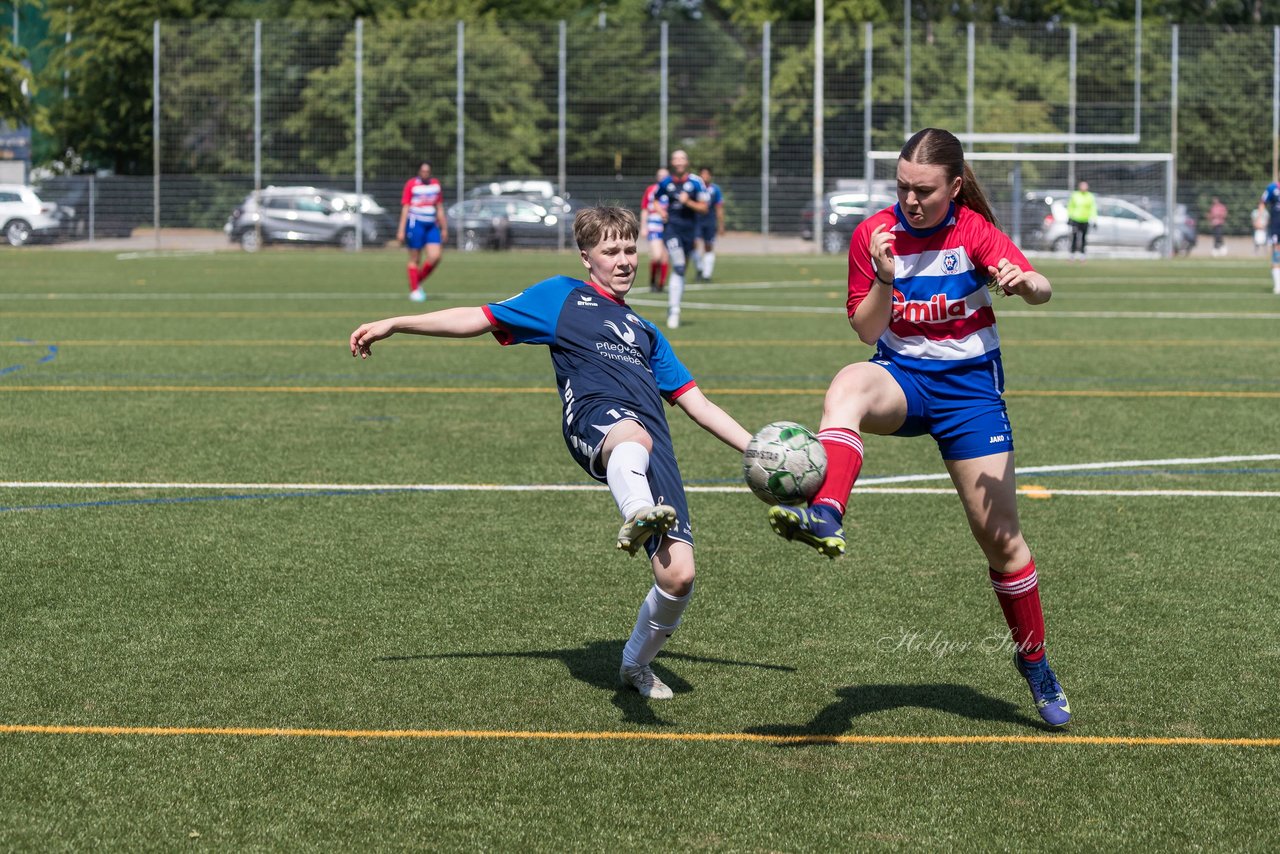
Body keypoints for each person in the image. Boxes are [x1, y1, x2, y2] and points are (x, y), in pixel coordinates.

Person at [349, 206, 752, 700]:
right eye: (611, 251)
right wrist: (398, 322)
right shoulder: (560, 296)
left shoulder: (648, 333)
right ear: (587, 257)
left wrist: (759, 452)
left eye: (630, 250)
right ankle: (637, 512)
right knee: (632, 436)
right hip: (595, 419)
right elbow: (476, 318)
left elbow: (699, 405)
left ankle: (635, 663)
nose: (624, 261)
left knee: (679, 577)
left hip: (653, 446)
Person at [765, 128, 1072, 728]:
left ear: (954, 187)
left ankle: (1035, 664)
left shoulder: (973, 230)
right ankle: (827, 511)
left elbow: (1042, 289)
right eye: (902, 187)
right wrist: (883, 275)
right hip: (903, 378)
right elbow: (863, 329)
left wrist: (1025, 282)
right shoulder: (874, 234)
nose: (910, 200)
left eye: (924, 190)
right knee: (848, 384)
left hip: (970, 393)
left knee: (1002, 542)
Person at [655, 150, 710, 329]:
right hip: (672, 229)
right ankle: (674, 311)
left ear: (687, 162)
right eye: (675, 158)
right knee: (678, 265)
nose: (678, 161)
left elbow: (704, 208)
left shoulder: (696, 182)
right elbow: (655, 199)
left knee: (680, 271)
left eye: (682, 158)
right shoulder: (666, 182)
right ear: (672, 162)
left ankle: (674, 305)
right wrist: (661, 211)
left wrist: (688, 203)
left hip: (689, 231)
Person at [397, 161, 449, 302]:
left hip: (432, 225)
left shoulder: (435, 185)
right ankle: (415, 290)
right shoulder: (412, 185)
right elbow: (406, 208)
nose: (425, 173)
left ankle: (416, 282)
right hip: (416, 224)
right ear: (419, 172)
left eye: (428, 171)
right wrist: (401, 230)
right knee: (415, 258)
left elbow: (439, 207)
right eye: (423, 171)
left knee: (436, 256)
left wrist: (444, 228)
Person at [640, 168, 670, 292]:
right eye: (660, 175)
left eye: (665, 176)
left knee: (665, 257)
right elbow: (645, 209)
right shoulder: (651, 190)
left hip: (669, 227)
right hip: (654, 226)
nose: (662, 178)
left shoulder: (672, 189)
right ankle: (652, 281)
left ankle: (661, 285)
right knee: (656, 256)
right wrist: (643, 226)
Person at [694, 167, 725, 283]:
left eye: (707, 174)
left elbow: (719, 208)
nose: (705, 176)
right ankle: (699, 268)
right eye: (702, 174)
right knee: (694, 245)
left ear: (710, 176)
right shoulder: (695, 188)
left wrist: (721, 225)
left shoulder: (715, 189)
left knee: (708, 246)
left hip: (709, 222)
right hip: (696, 221)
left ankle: (707, 274)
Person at [1066, 180, 1096, 261]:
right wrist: (1070, 217)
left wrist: (1094, 219)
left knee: (1083, 238)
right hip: (1076, 219)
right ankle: (1072, 254)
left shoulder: (1090, 196)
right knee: (1074, 237)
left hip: (1085, 219)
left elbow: (1093, 208)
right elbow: (1070, 207)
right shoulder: (1075, 195)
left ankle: (1082, 255)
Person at [1261, 178, 1280, 294]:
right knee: (1276, 254)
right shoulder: (1272, 188)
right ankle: (1278, 285)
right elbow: (1262, 202)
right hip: (1276, 227)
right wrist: (1260, 218)